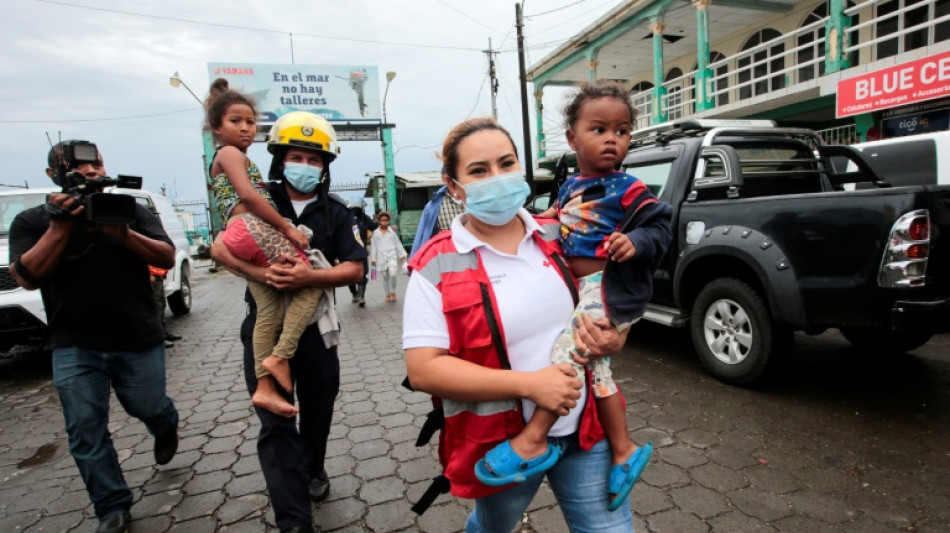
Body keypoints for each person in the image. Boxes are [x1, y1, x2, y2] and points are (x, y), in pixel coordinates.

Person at [404, 117, 636, 532]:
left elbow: (609, 291)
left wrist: (617, 334)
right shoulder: (434, 265)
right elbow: (423, 369)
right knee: (494, 527)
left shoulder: (560, 234)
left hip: (586, 428)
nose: (497, 178)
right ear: (454, 187)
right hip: (504, 442)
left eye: (506, 163)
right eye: (479, 171)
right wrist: (529, 385)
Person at [475, 80, 673, 510]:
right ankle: (623, 451)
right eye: (599, 129)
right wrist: (536, 218)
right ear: (572, 138)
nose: (611, 140)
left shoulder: (628, 186)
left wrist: (637, 241)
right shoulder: (570, 186)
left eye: (621, 132)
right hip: (579, 289)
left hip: (606, 286)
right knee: (598, 374)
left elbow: (661, 225)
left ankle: (533, 439)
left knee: (566, 355)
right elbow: (560, 218)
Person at [9, 141, 179, 533]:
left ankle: (165, 423)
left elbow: (166, 257)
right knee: (85, 428)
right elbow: (26, 274)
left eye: (95, 165)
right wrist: (59, 227)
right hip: (74, 343)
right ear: (54, 175)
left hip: (137, 337)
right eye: (76, 168)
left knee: (148, 405)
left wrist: (122, 232)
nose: (88, 173)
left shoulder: (129, 210)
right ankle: (112, 506)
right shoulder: (33, 222)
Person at [211, 111, 366, 533]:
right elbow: (219, 249)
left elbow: (355, 270)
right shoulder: (258, 200)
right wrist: (266, 276)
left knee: (318, 410)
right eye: (298, 156)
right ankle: (294, 521)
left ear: (326, 167)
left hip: (317, 333)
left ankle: (313, 468)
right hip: (264, 327)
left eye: (316, 160)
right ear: (280, 159)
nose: (306, 166)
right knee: (276, 425)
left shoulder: (337, 211)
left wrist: (310, 277)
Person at [205, 78, 320, 417]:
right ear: (216, 127)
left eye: (250, 122)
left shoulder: (231, 156)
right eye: (235, 121)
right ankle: (282, 356)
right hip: (251, 227)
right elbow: (250, 196)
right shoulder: (228, 153)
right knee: (310, 282)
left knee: (267, 312)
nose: (245, 128)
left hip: (240, 234)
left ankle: (264, 386)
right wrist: (286, 227)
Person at [408, 183, 464, 260]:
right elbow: (422, 234)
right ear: (447, 179)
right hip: (447, 252)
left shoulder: (475, 201)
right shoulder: (434, 205)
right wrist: (415, 259)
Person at [369, 211, 407, 303]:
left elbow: (397, 244)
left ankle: (393, 292)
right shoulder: (375, 233)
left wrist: (403, 256)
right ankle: (387, 294)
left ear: (388, 221)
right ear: (379, 221)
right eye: (382, 220)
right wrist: (373, 259)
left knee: (393, 273)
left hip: (392, 256)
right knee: (385, 277)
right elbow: (373, 246)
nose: (384, 222)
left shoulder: (392, 232)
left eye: (386, 220)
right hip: (381, 258)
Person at [347, 199, 377, 307]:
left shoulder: (365, 219)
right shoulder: (345, 218)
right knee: (349, 274)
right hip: (348, 251)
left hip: (361, 250)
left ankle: (361, 297)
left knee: (363, 272)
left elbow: (375, 228)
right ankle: (354, 293)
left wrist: (387, 228)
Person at [149, 265, 182, 348]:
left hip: (158, 274)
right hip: (153, 274)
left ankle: (163, 333)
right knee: (157, 306)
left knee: (162, 304)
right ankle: (159, 337)